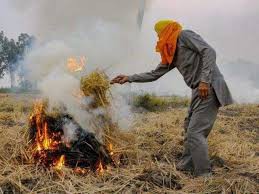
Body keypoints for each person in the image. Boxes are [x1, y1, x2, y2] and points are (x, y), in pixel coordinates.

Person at [110, 20, 233, 177]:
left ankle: (204, 175)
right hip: (198, 90)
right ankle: (187, 165)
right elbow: (154, 74)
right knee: (189, 127)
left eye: (159, 33)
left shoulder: (184, 35)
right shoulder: (171, 51)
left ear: (166, 30)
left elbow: (209, 51)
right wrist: (128, 78)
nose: (159, 38)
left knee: (195, 132)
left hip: (209, 86)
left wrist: (205, 80)